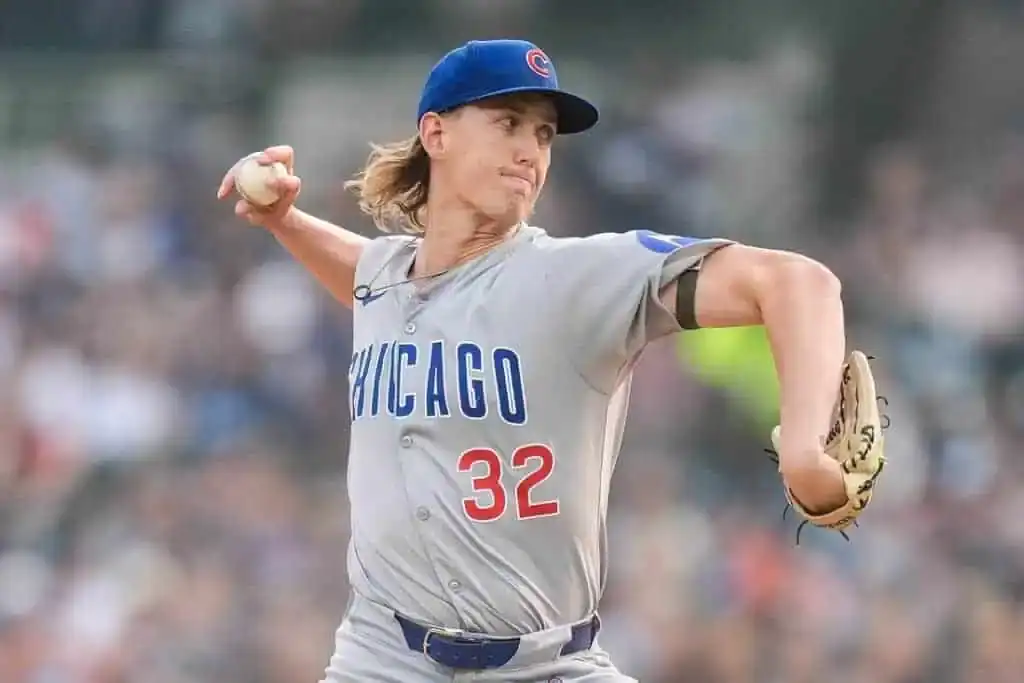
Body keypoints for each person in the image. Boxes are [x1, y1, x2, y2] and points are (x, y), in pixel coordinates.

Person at [217, 38, 858, 683]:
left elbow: (799, 283)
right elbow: (369, 275)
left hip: (548, 664)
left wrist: (803, 446)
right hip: (382, 659)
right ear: (435, 134)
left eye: (545, 133)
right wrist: (286, 221)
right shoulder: (384, 276)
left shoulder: (573, 278)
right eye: (508, 124)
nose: (531, 151)